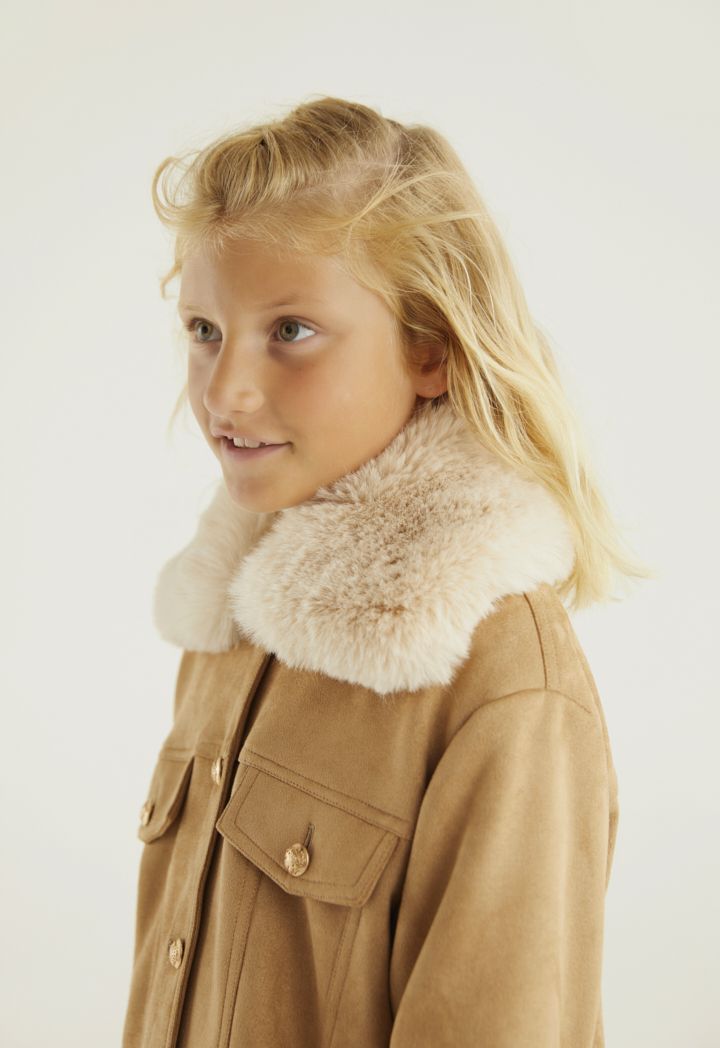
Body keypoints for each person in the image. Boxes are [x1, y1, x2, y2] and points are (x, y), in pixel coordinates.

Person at [121, 96, 651, 1048]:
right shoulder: (228, 624)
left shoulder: (504, 683)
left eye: (291, 330)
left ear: (429, 348)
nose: (224, 391)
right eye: (203, 329)